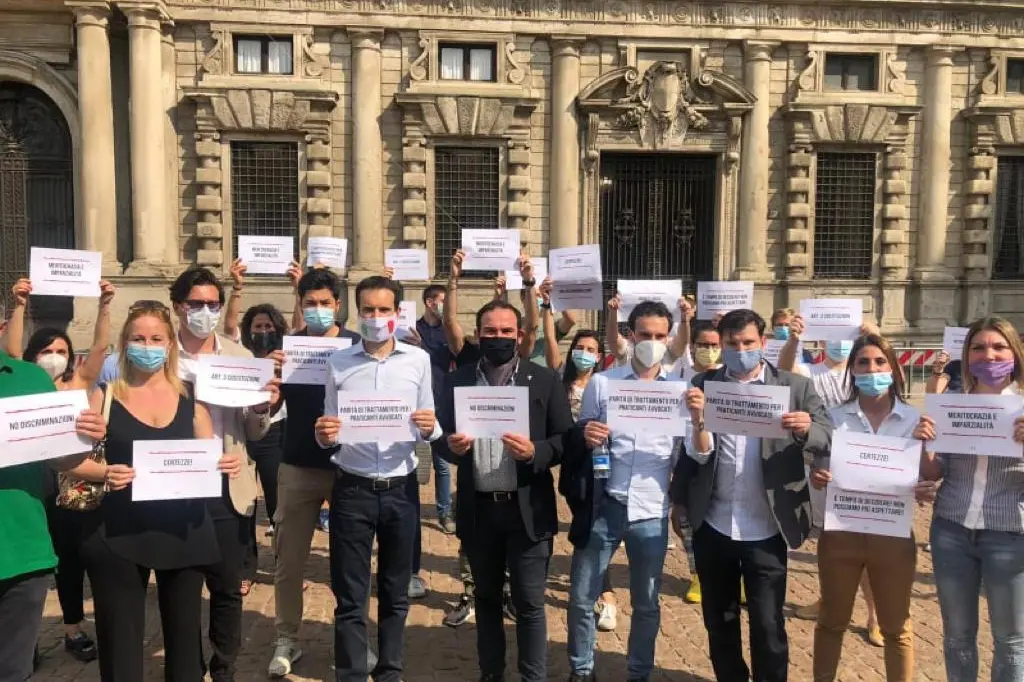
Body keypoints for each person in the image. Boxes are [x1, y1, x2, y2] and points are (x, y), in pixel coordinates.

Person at [66, 300, 243, 681]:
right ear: (125, 343)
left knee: (184, 646)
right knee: (120, 645)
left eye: (155, 338)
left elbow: (205, 458)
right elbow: (69, 462)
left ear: (169, 345)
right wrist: (104, 472)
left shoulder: (192, 402)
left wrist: (224, 465)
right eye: (138, 338)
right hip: (119, 534)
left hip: (184, 533)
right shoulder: (106, 396)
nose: (147, 345)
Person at [670, 308, 832, 682]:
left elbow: (829, 431)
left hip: (768, 524)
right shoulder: (704, 382)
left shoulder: (794, 386)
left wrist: (807, 429)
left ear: (763, 343)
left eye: (748, 343)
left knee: (768, 624)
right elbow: (694, 454)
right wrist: (697, 422)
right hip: (715, 523)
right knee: (719, 619)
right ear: (722, 344)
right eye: (732, 343)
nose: (739, 349)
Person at [434, 299, 573, 682]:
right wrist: (451, 446)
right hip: (479, 511)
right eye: (490, 331)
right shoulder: (458, 380)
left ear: (520, 335)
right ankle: (490, 674)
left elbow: (566, 438)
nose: (498, 338)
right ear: (478, 335)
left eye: (506, 332)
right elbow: (438, 437)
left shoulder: (542, 380)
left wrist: (536, 451)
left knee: (529, 604)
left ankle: (533, 677)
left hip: (527, 509)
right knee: (487, 599)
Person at [313, 275, 440, 681]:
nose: (375, 317)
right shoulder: (338, 363)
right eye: (368, 309)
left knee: (394, 592)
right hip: (352, 488)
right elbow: (329, 430)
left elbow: (430, 426)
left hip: (401, 489)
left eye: (384, 309)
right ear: (357, 311)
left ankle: (390, 672)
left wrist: (430, 427)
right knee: (350, 596)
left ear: (397, 313)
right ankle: (350, 674)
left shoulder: (418, 361)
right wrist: (322, 435)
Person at [808, 333, 938, 681]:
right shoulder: (833, 418)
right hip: (841, 533)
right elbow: (817, 462)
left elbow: (928, 473)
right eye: (863, 363)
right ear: (852, 371)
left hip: (892, 535)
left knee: (897, 626)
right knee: (832, 621)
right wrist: (819, 476)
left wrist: (925, 474)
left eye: (880, 362)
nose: (871, 369)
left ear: (894, 369)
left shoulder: (915, 419)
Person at [565, 300, 683, 682]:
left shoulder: (678, 391)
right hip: (606, 503)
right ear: (630, 335)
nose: (651, 342)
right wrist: (588, 435)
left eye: (659, 336)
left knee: (647, 602)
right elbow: (579, 437)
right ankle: (582, 669)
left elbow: (686, 453)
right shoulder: (604, 382)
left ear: (669, 338)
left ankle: (639, 673)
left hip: (651, 510)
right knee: (583, 596)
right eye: (644, 334)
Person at [7, 277, 115, 662]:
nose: (54, 355)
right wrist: (19, 306)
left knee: (68, 560)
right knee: (31, 568)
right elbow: (13, 351)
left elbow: (101, 348)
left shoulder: (76, 383)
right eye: (47, 349)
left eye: (61, 350)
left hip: (72, 483)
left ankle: (73, 627)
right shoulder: (24, 383)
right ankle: (25, 639)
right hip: (33, 486)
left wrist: (103, 306)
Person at [914, 316, 1024, 682]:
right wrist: (925, 442)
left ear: (1014, 354)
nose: (989, 355)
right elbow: (932, 473)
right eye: (979, 348)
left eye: (998, 347)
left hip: (1008, 531)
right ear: (967, 354)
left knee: (1010, 639)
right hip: (951, 531)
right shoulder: (951, 405)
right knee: (957, 635)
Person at [266, 266, 360, 677]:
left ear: (338, 305)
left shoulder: (357, 345)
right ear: (301, 307)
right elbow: (266, 410)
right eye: (310, 304)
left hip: (349, 468)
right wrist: (267, 382)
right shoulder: (289, 349)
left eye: (325, 303)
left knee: (350, 561)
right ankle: (286, 638)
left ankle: (350, 642)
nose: (318, 310)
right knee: (289, 560)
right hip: (298, 464)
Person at [238, 303, 289, 582]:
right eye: (258, 326)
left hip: (275, 432)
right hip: (244, 431)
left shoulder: (285, 356)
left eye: (268, 326)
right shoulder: (240, 355)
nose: (263, 330)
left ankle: (283, 566)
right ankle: (245, 569)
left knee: (277, 502)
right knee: (245, 502)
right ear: (249, 330)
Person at [415, 283, 456, 535]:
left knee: (442, 465)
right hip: (415, 406)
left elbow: (448, 356)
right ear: (430, 302)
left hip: (440, 403)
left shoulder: (448, 331)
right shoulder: (412, 327)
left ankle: (444, 511)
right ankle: (409, 508)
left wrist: (423, 347)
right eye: (442, 300)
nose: (445, 306)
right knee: (415, 464)